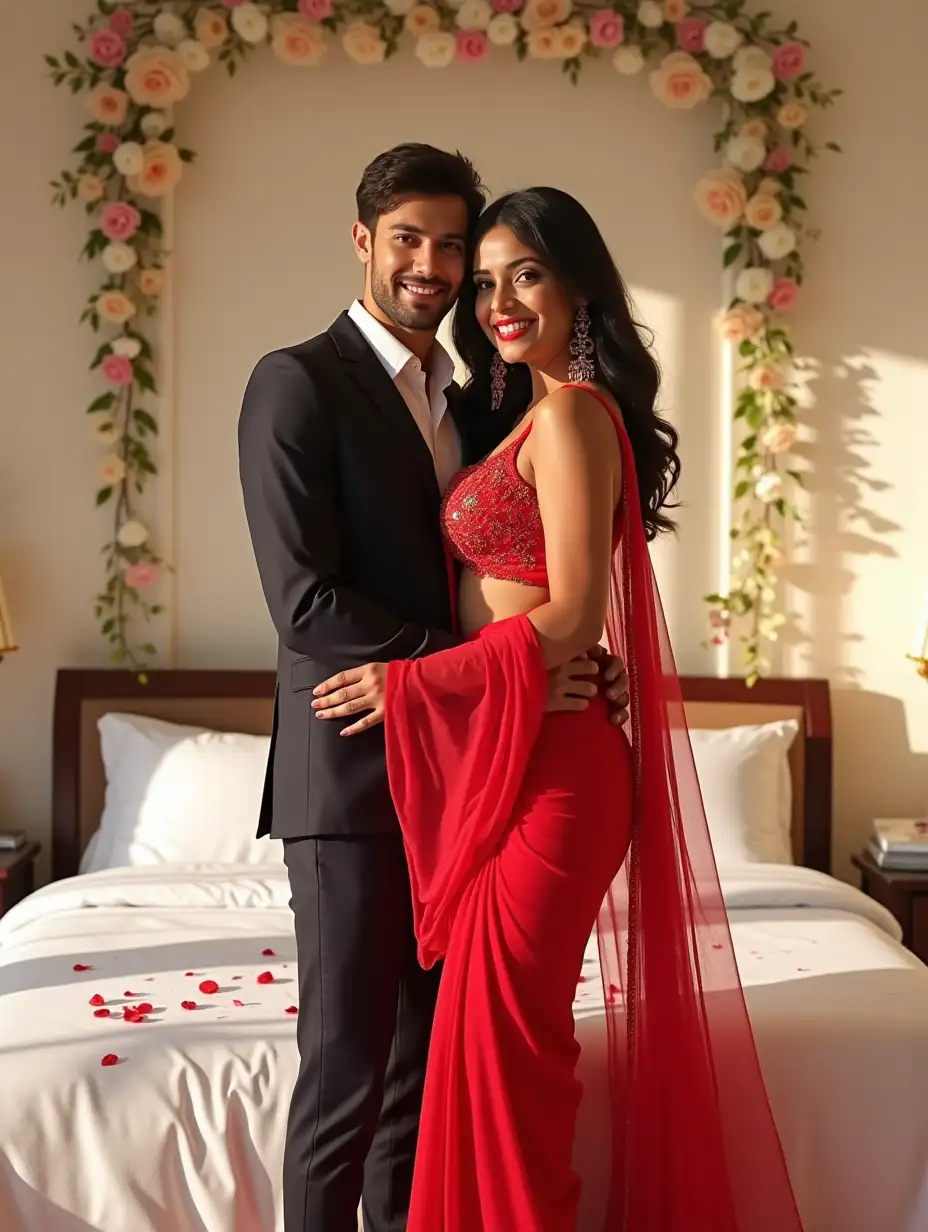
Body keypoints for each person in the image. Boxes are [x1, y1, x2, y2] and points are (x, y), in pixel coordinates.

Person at [311, 188, 805, 1231]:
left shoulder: (575, 413)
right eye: (484, 280)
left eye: (523, 273)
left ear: (579, 285)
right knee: (485, 1050)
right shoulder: (527, 416)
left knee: (507, 1051)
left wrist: (414, 679)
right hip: (511, 754)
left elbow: (575, 611)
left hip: (556, 777)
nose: (497, 298)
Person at [237, 146, 630, 1232]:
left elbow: (538, 577)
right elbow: (304, 605)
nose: (435, 265)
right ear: (362, 240)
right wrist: (479, 675)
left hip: (472, 778)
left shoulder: (478, 398)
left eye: (453, 244)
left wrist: (543, 659)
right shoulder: (295, 380)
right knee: (344, 1075)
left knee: (420, 1080)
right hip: (355, 776)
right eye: (408, 238)